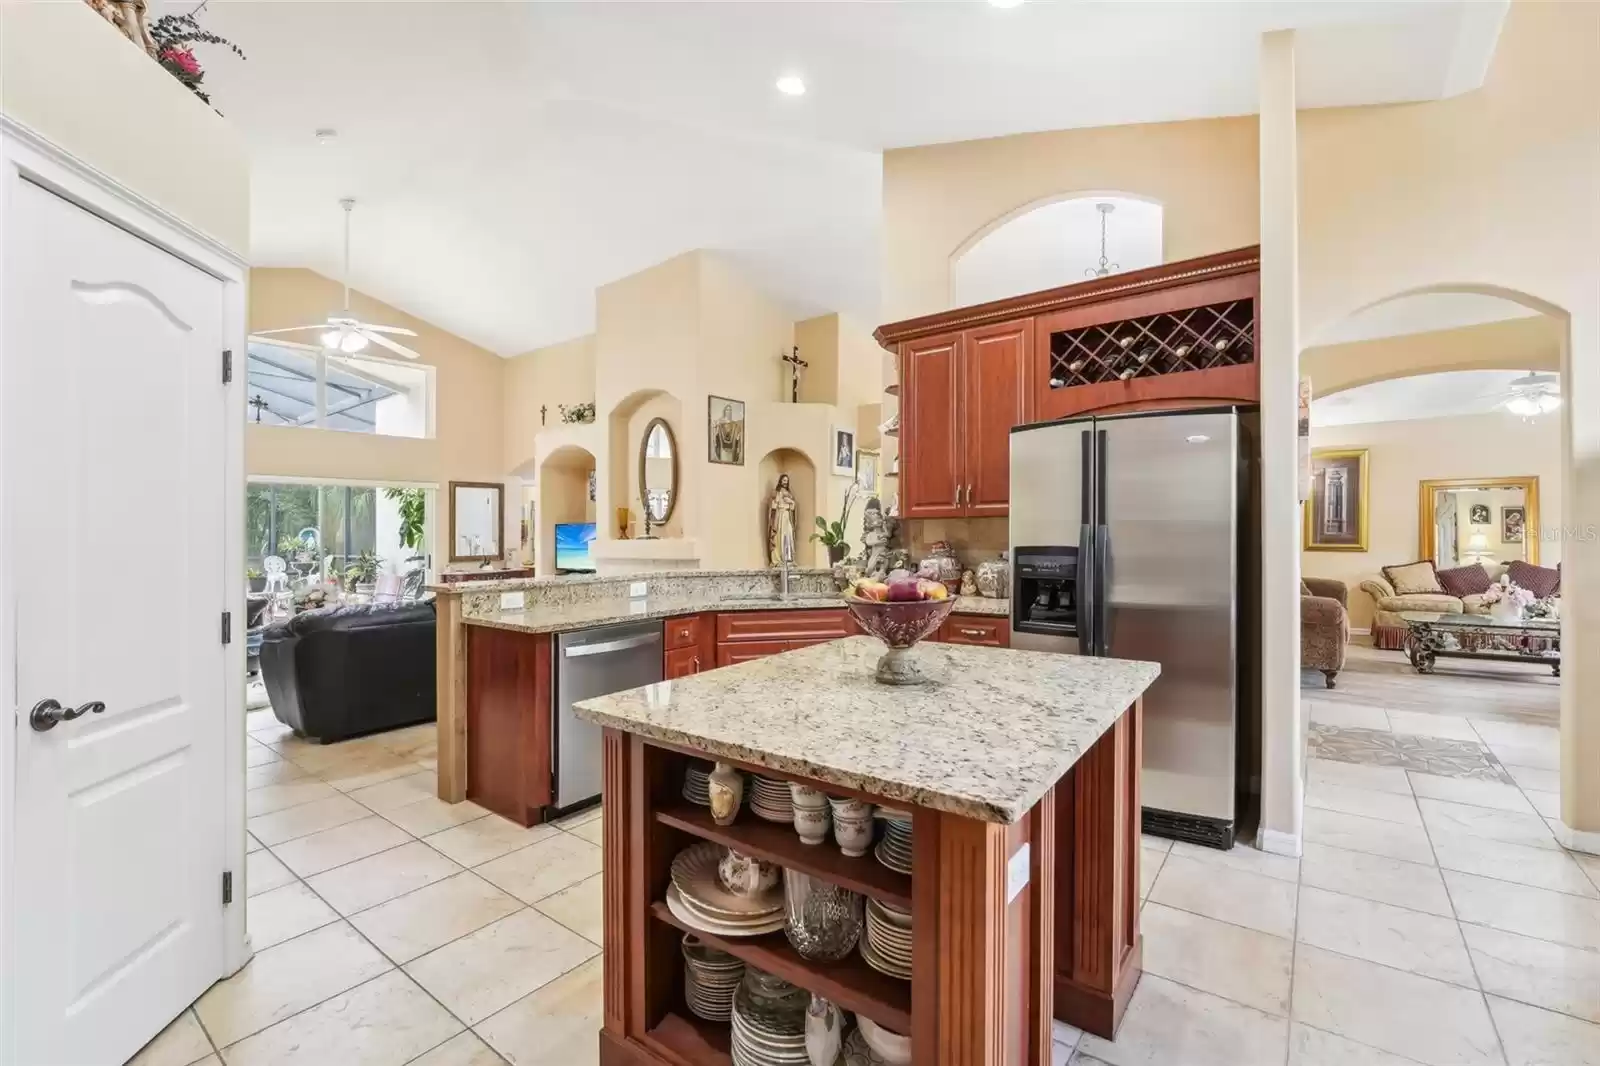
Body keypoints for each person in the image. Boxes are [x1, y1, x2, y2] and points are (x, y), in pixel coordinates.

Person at [767, 473, 797, 567]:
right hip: (779, 516)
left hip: (787, 516)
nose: (785, 482)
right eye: (784, 480)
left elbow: (792, 508)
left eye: (787, 481)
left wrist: (791, 502)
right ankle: (778, 558)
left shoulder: (789, 494)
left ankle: (787, 558)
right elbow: (773, 506)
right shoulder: (776, 492)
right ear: (780, 481)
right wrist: (776, 500)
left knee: (788, 535)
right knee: (779, 536)